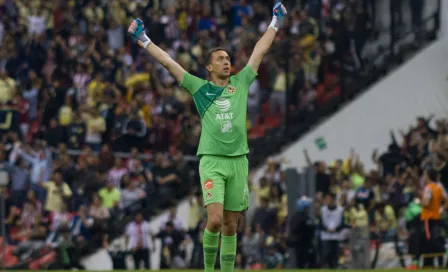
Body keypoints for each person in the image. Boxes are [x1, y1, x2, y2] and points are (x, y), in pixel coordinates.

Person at [128, 3, 287, 272]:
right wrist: (144, 40)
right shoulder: (199, 88)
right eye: (221, 59)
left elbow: (260, 50)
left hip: (238, 161)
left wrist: (275, 22)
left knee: (231, 224)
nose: (227, 62)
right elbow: (168, 62)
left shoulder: (241, 82)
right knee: (213, 220)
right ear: (209, 68)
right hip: (212, 161)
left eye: (228, 58)